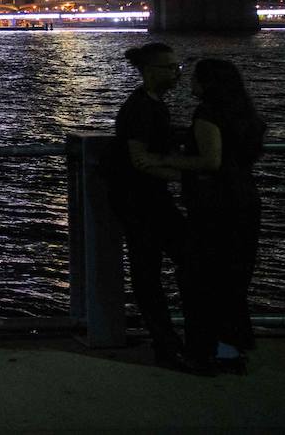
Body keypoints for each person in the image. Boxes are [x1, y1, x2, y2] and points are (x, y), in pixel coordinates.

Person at [137, 58, 266, 374]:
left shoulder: (207, 114)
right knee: (233, 280)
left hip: (214, 208)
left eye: (193, 77)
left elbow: (210, 161)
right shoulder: (244, 114)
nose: (187, 81)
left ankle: (205, 350)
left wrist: (165, 159)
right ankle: (230, 350)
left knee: (201, 280)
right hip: (245, 201)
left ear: (208, 83)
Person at [108, 42, 190, 369]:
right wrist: (187, 174)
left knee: (152, 272)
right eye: (171, 68)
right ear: (151, 71)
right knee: (155, 272)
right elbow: (140, 159)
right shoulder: (142, 108)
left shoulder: (152, 104)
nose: (177, 73)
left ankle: (168, 341)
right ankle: (167, 345)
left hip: (146, 199)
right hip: (142, 201)